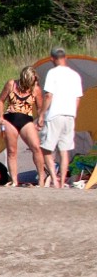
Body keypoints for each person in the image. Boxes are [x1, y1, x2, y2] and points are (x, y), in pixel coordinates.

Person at [41, 47, 84, 188]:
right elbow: (78, 98)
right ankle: (63, 180)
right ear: (65, 57)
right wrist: (74, 113)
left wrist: (41, 113)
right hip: (70, 115)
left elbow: (48, 96)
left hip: (55, 114)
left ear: (52, 58)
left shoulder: (52, 73)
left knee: (47, 149)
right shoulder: (75, 75)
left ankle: (54, 178)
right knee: (64, 150)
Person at [0, 65, 47, 187]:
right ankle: (14, 181)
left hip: (26, 119)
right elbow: (1, 100)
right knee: (12, 151)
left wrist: (40, 119)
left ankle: (41, 177)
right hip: (10, 118)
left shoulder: (35, 89)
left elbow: (40, 107)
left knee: (36, 147)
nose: (34, 82)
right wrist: (0, 116)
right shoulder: (11, 84)